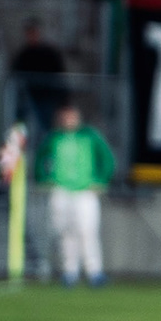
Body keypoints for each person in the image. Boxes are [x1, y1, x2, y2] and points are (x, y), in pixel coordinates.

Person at [36, 102, 116, 285]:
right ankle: (69, 271)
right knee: (65, 231)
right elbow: (41, 158)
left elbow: (107, 158)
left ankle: (94, 271)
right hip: (61, 189)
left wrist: (101, 180)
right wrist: (44, 178)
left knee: (87, 230)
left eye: (71, 116)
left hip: (85, 190)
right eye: (65, 117)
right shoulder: (54, 137)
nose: (68, 120)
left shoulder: (90, 136)